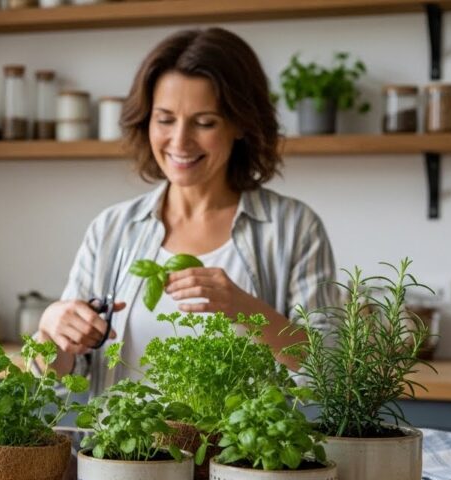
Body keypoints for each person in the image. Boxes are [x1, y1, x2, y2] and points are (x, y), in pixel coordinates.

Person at [36, 27, 337, 395]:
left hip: (236, 455)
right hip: (119, 453)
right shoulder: (112, 228)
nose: (179, 142)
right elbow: (61, 378)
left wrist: (245, 309)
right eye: (165, 119)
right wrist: (51, 329)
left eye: (204, 122)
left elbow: (330, 372)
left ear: (241, 123)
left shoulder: (294, 228)